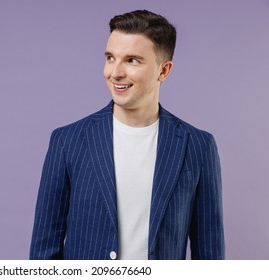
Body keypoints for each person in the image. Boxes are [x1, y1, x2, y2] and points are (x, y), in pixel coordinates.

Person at [30, 9, 225, 260]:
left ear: (163, 71)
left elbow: (210, 257)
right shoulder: (68, 141)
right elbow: (44, 251)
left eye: (132, 60)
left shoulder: (198, 146)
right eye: (110, 58)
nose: (115, 72)